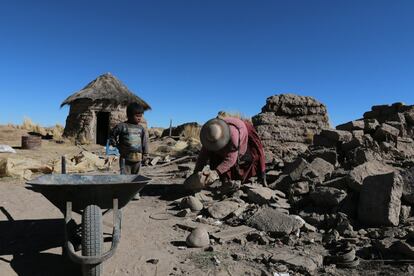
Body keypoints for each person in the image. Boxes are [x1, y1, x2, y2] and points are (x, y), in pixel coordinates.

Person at [194, 115, 266, 192]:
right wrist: (195, 173)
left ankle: (244, 182)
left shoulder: (234, 136)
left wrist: (216, 173)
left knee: (249, 159)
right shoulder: (209, 135)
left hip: (242, 131)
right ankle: (226, 181)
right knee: (216, 157)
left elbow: (231, 159)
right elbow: (202, 156)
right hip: (228, 136)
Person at [109, 102, 149, 175]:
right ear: (129, 115)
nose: (139, 118)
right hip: (125, 159)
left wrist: (145, 154)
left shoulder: (141, 129)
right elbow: (112, 135)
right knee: (125, 178)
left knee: (135, 178)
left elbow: (144, 142)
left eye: (140, 116)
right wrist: (117, 146)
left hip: (138, 159)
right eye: (137, 116)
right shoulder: (122, 126)